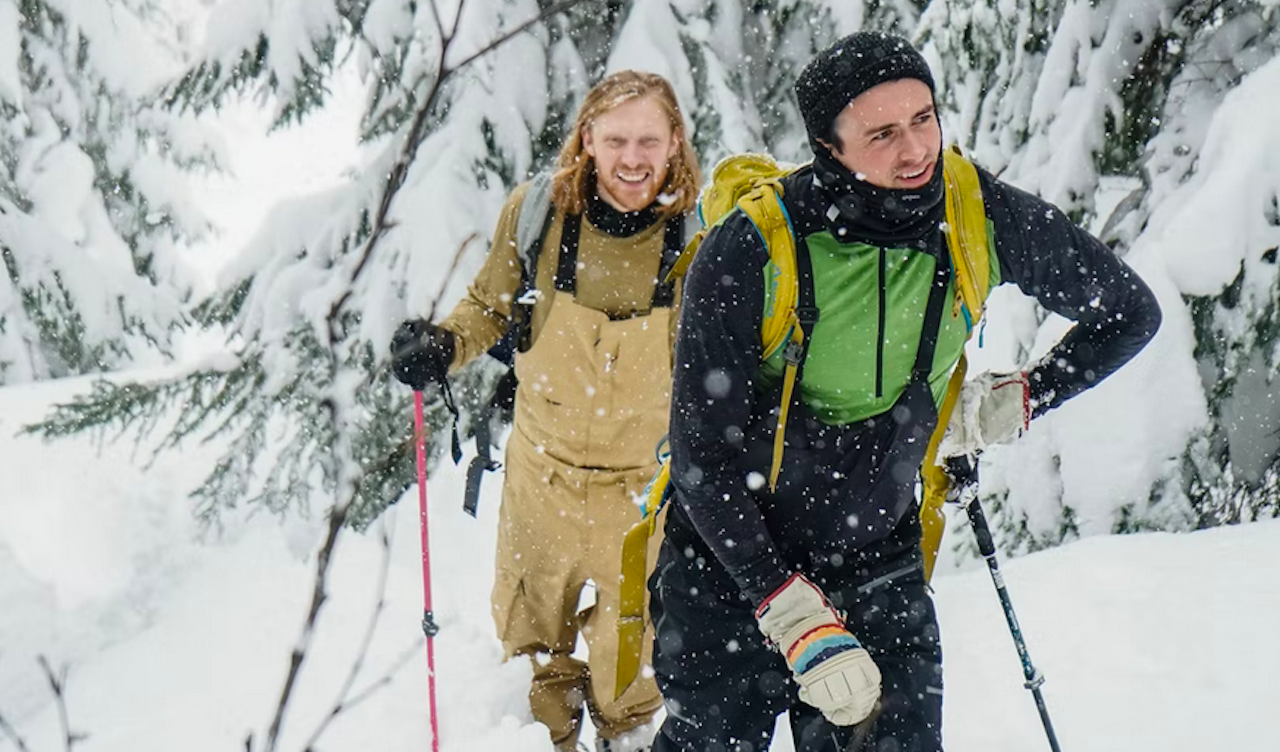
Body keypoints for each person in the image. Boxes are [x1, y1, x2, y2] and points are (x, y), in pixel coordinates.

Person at [648, 31, 1161, 752]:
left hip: (872, 555)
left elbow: (1128, 312)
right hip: (728, 563)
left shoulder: (974, 214)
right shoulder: (753, 248)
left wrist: (1022, 397)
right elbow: (702, 460)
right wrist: (785, 605)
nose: (916, 149)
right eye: (882, 133)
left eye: (924, 118)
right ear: (828, 148)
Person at [389, 70, 701, 752]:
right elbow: (489, 307)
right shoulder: (538, 215)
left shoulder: (699, 235)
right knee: (532, 671)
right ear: (587, 138)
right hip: (543, 484)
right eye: (615, 139)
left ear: (675, 140)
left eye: (648, 140)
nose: (632, 158)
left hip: (643, 500)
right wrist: (443, 345)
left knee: (632, 677)